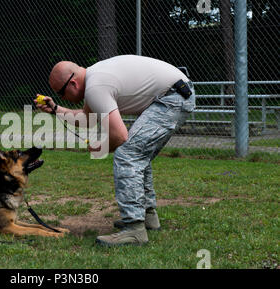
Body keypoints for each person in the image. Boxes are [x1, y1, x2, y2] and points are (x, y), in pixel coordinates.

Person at [35, 55, 195, 246]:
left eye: (61, 93)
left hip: (172, 98)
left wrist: (100, 147)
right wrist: (55, 109)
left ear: (73, 84)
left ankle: (134, 229)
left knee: (128, 154)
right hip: (176, 93)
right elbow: (88, 118)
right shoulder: (94, 78)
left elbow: (120, 136)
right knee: (138, 153)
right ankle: (147, 216)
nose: (62, 98)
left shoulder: (95, 87)